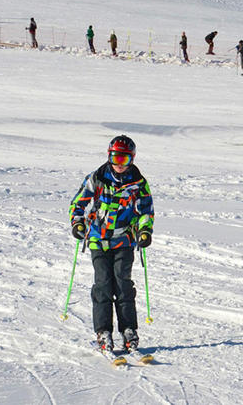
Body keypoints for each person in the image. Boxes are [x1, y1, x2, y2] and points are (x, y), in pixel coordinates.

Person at [69, 135, 154, 353]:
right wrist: (78, 224)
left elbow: (146, 210)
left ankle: (128, 330)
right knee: (103, 284)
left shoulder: (138, 184)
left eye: (124, 159)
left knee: (123, 284)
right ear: (109, 156)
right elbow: (78, 204)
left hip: (124, 239)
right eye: (116, 157)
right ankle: (103, 331)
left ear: (132, 160)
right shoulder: (96, 178)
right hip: (98, 238)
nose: (119, 164)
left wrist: (145, 230)